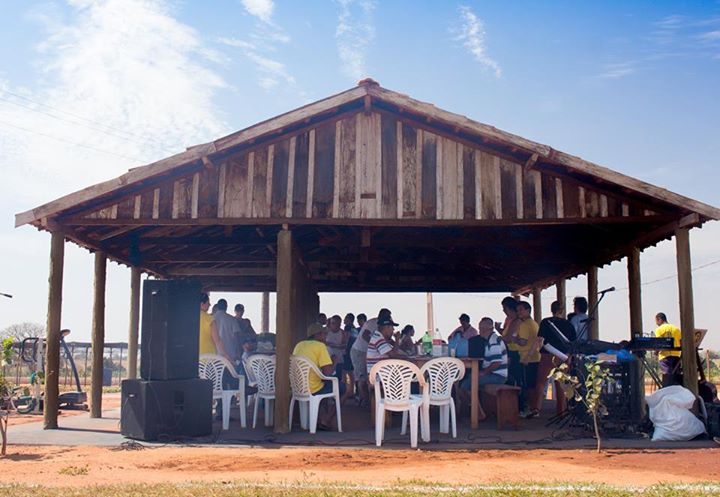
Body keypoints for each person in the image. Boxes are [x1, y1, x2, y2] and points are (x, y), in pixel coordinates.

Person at [293, 323, 344, 430]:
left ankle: (318, 418)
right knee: (343, 388)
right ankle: (326, 420)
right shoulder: (320, 346)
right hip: (313, 388)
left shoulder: (299, 344)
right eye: (324, 334)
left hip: (298, 387)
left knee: (326, 384)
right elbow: (328, 372)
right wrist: (334, 361)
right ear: (318, 335)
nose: (325, 337)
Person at [534, 301, 576, 413]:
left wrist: (533, 352)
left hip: (547, 354)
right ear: (562, 311)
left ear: (551, 309)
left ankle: (536, 408)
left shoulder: (545, 322)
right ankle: (561, 410)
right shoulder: (569, 324)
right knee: (561, 384)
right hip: (562, 356)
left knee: (541, 383)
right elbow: (573, 343)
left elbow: (540, 340)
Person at [459, 317, 508, 405]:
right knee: (469, 378)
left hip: (497, 376)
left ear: (488, 329)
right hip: (493, 374)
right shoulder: (489, 340)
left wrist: (484, 372)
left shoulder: (493, 341)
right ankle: (476, 409)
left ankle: (477, 411)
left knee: (465, 385)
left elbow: (496, 362)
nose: (480, 331)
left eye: (481, 328)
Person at [350, 308, 391, 406]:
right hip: (359, 350)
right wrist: (375, 345)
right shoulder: (372, 323)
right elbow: (365, 335)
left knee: (368, 376)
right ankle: (363, 399)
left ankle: (368, 400)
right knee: (362, 376)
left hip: (368, 351)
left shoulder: (383, 325)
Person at [515, 301, 541, 418]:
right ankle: (534, 409)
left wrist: (514, 338)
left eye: (521, 309)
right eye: (518, 310)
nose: (518, 312)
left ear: (528, 310)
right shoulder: (534, 323)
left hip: (527, 358)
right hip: (535, 357)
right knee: (533, 385)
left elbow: (523, 342)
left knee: (528, 386)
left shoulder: (525, 325)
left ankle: (531, 409)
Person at [498, 297, 522, 389]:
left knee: (515, 377)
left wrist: (498, 339)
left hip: (516, 352)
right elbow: (506, 334)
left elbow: (509, 338)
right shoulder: (509, 320)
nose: (503, 310)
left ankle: (518, 400)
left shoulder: (517, 320)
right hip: (509, 351)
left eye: (504, 308)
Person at [654, 312, 682, 387]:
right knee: (676, 376)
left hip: (665, 356)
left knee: (667, 376)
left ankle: (667, 390)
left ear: (659, 319)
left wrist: (656, 353)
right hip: (676, 356)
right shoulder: (676, 329)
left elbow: (658, 343)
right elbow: (681, 342)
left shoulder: (659, 329)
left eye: (656, 321)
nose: (656, 323)